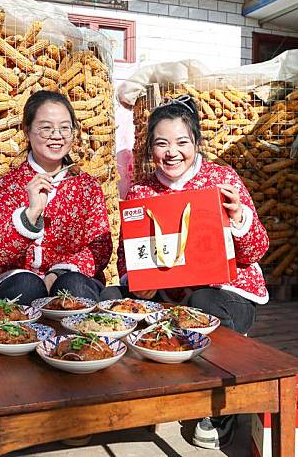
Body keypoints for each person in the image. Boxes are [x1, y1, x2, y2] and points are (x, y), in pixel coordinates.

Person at [103, 94, 270, 450]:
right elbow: (125, 256)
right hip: (166, 293)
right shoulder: (141, 191)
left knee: (204, 300)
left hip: (224, 293)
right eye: (161, 143)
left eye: (182, 142)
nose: (172, 152)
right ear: (150, 148)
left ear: (196, 143)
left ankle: (217, 409)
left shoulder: (222, 181)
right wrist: (138, 281)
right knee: (110, 299)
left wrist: (239, 217)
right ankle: (136, 398)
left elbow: (255, 250)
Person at [0, 90, 112, 304]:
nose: (57, 135)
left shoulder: (87, 186)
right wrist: (30, 215)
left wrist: (58, 273)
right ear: (27, 131)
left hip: (75, 276)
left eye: (64, 128)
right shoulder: (7, 186)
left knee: (73, 286)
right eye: (46, 128)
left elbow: (100, 248)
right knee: (28, 285)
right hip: (19, 280)